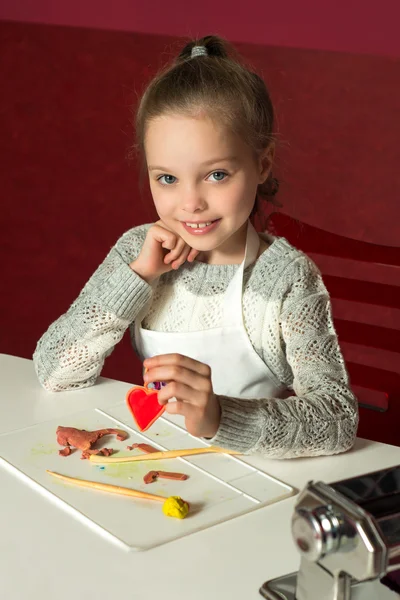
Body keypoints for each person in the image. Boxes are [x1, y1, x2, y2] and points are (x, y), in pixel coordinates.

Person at [33, 35, 358, 459]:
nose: (190, 203)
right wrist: (138, 278)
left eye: (217, 175)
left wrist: (220, 417)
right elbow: (54, 372)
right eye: (167, 178)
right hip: (159, 463)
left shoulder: (286, 279)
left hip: (257, 478)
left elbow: (337, 419)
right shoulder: (138, 251)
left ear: (261, 164)